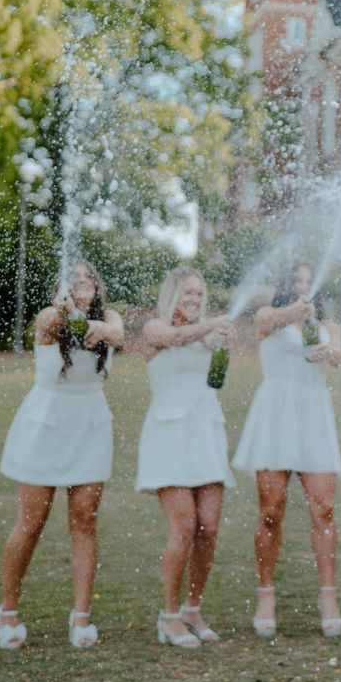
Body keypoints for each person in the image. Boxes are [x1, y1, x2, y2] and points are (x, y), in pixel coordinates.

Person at [0, 260, 125, 649]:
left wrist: (99, 327)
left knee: (85, 520)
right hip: (47, 425)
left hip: (90, 425)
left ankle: (82, 616)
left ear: (97, 288)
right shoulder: (50, 316)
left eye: (88, 279)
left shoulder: (108, 318)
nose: (82, 285)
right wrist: (68, 312)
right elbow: (54, 322)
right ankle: (8, 611)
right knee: (31, 522)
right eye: (74, 281)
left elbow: (118, 335)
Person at [233, 261, 341, 638]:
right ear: (286, 286)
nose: (303, 288)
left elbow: (338, 352)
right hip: (277, 414)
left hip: (313, 414)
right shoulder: (270, 315)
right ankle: (266, 594)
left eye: (309, 283)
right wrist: (294, 312)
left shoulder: (326, 325)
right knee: (270, 509)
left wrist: (330, 354)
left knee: (323, 508)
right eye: (297, 281)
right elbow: (263, 324)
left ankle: (328, 596)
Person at [136, 266, 235, 648]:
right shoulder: (154, 330)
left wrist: (223, 339)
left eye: (198, 294)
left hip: (206, 431)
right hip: (170, 434)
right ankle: (169, 615)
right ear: (172, 295)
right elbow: (176, 338)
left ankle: (193, 608)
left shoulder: (206, 335)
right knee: (183, 527)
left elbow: (215, 376)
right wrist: (208, 326)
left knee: (208, 529)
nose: (194, 300)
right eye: (187, 293)